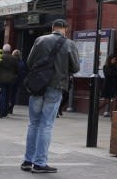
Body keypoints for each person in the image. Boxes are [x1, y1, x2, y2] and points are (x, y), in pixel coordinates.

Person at [21, 19, 79, 174]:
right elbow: (76, 67)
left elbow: (30, 61)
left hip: (37, 86)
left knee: (33, 124)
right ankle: (40, 163)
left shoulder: (40, 40)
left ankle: (28, 161)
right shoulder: (69, 44)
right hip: (56, 86)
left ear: (52, 28)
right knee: (46, 124)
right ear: (65, 29)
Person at [0, 44, 19, 118]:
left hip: (1, 79)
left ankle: (1, 112)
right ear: (10, 50)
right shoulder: (14, 58)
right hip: (11, 80)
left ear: (3, 50)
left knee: (2, 95)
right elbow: (16, 69)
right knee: (8, 96)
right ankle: (6, 112)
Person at [10, 49, 28, 115]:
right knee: (13, 95)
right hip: (17, 81)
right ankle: (11, 107)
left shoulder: (11, 61)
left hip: (11, 80)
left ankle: (7, 107)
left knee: (9, 94)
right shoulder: (22, 62)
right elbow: (23, 73)